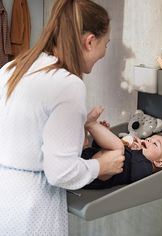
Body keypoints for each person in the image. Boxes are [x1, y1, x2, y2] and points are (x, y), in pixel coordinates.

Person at [0, 0, 125, 235]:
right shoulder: (68, 85)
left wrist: (76, 131)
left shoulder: (12, 69)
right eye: (106, 44)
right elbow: (61, 173)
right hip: (32, 211)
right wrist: (100, 166)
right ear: (90, 41)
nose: (105, 52)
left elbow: (24, 133)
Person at [82, 106, 162, 189]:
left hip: (98, 177)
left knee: (118, 147)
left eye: (155, 144)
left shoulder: (147, 167)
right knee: (85, 142)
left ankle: (91, 125)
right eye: (149, 139)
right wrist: (105, 135)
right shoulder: (133, 152)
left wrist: (136, 151)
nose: (149, 140)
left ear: (159, 162)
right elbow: (100, 151)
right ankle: (91, 129)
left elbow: (136, 176)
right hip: (89, 159)